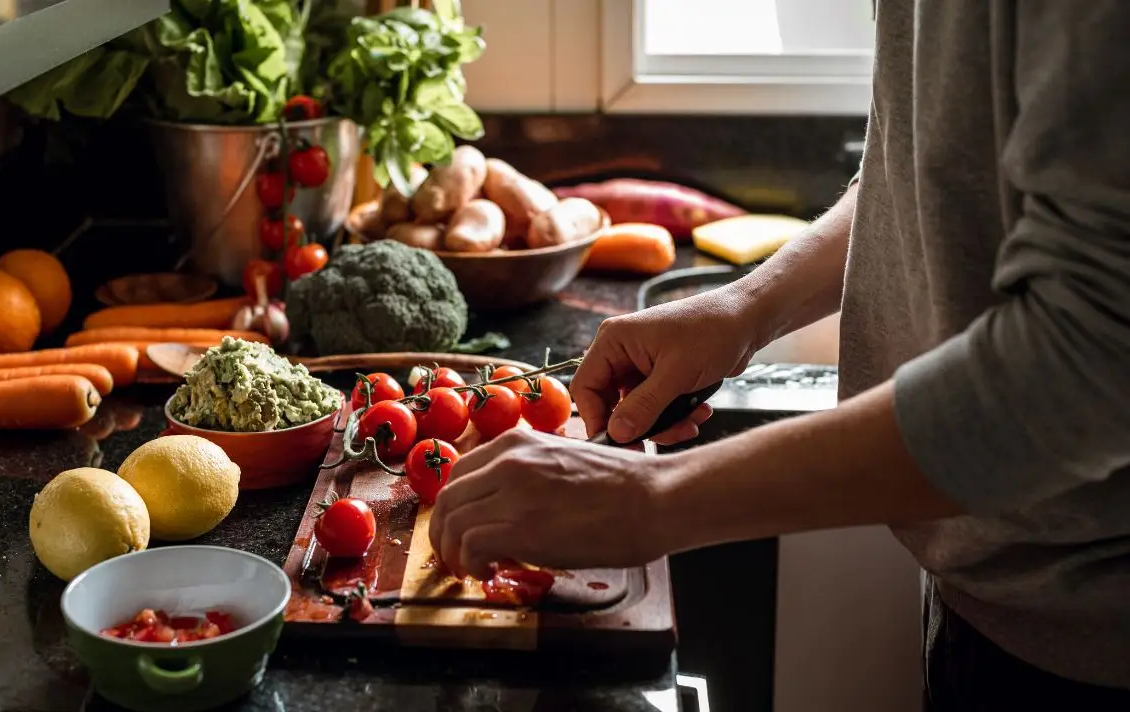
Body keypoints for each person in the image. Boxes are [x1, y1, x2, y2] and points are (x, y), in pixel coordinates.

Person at [429, 1, 1130, 708]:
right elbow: (930, 173)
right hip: (995, 587)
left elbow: (1092, 359)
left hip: (1093, 642)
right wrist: (746, 307)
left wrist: (656, 498)